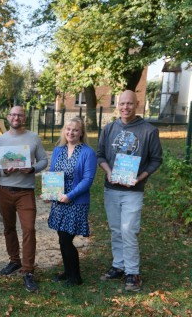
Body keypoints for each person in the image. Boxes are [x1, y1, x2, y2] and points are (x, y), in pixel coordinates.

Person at [97, 90, 162, 292]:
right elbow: (100, 155)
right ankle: (119, 265)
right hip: (111, 188)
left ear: (137, 104)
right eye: (122, 103)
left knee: (129, 230)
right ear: (117, 105)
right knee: (116, 229)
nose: (125, 107)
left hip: (134, 191)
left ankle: (132, 272)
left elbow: (156, 160)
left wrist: (139, 178)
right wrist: (108, 172)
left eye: (130, 104)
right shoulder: (109, 129)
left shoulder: (148, 131)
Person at [0, 105, 48, 292]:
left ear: (24, 117)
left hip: (25, 191)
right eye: (13, 115)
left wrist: (32, 169)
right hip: (4, 189)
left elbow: (43, 161)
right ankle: (14, 260)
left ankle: (28, 270)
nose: (16, 118)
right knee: (9, 228)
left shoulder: (33, 138)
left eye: (19, 115)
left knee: (29, 229)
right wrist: (3, 171)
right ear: (8, 117)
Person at [46, 117, 97, 287]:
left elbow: (88, 179)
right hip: (60, 200)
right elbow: (53, 174)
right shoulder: (58, 150)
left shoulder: (87, 152)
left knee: (66, 239)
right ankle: (68, 272)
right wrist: (49, 193)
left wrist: (70, 195)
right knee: (62, 237)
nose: (71, 132)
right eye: (68, 129)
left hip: (76, 201)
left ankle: (76, 277)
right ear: (64, 131)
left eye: (75, 130)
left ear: (81, 132)